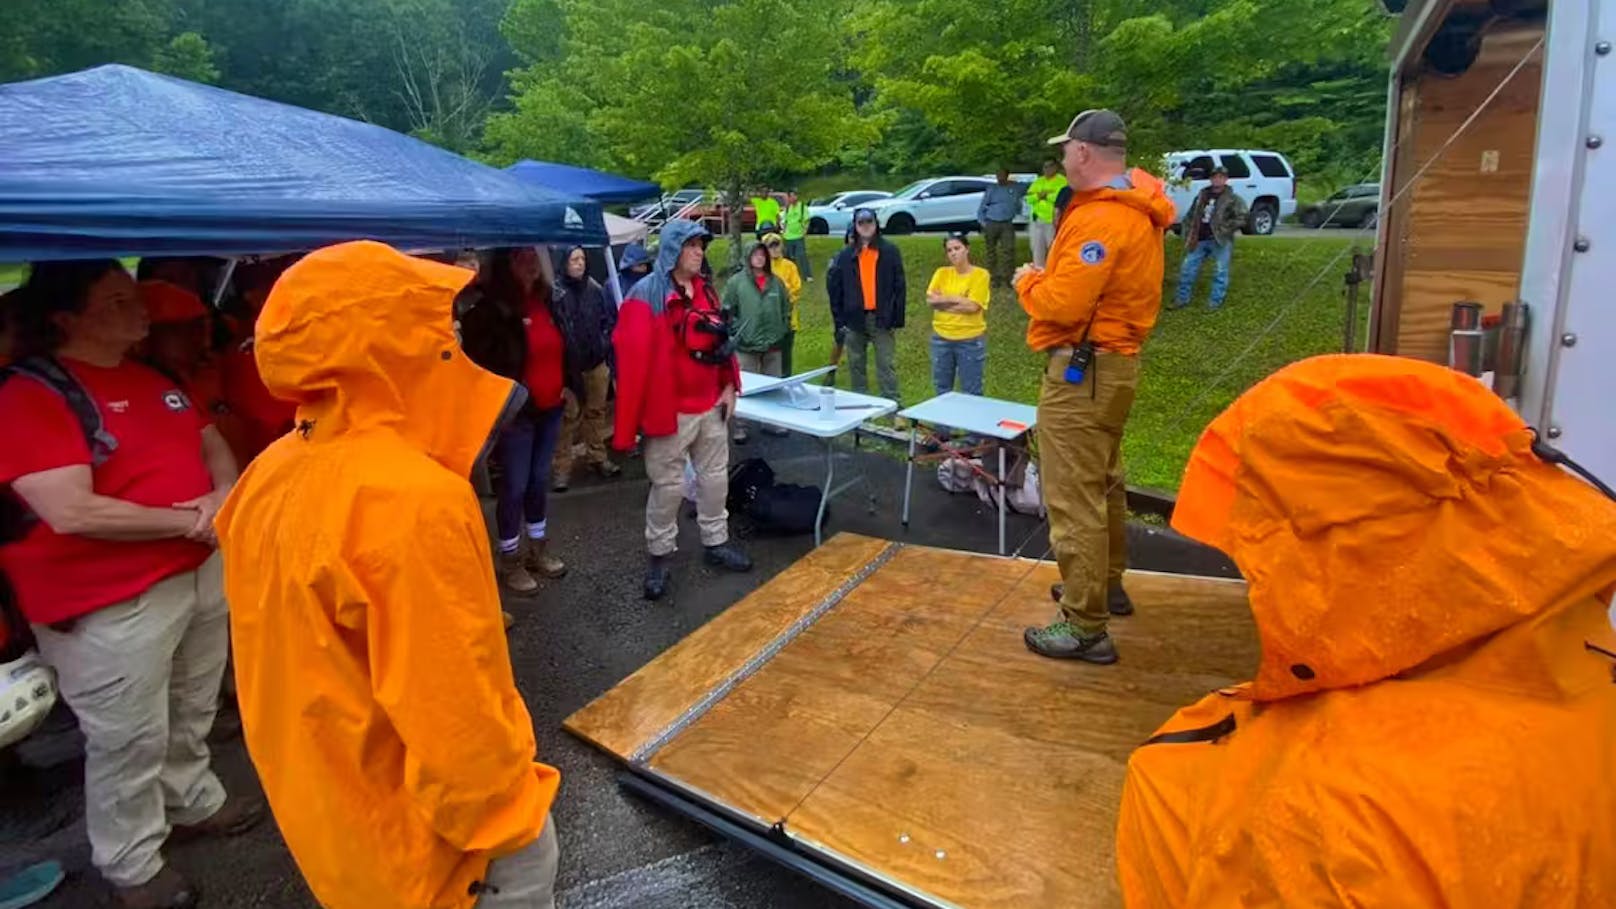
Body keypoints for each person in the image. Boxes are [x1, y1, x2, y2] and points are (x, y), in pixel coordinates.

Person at [1118, 354, 1616, 908]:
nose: (1254, 580)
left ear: (1348, 555)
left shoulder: (1326, 806)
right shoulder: (1576, 649)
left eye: (1271, 549)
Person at [214, 241, 562, 909]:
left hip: (341, 837)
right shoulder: (409, 499)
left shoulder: (266, 475)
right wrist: (514, 829)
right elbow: (455, 718)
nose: (453, 337)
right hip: (440, 862)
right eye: (435, 323)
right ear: (384, 343)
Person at [0, 260, 261, 909]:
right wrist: (189, 519)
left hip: (193, 567)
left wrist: (221, 500)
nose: (139, 306)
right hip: (107, 599)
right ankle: (131, 862)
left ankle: (190, 796)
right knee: (128, 734)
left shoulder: (152, 374)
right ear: (66, 317)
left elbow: (213, 446)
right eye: (118, 300)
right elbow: (70, 509)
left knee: (192, 700)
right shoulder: (29, 394)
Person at [1014, 109, 1176, 665]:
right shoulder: (1136, 208)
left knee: (1073, 494)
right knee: (1104, 481)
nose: (1061, 160)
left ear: (1084, 153)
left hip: (1083, 370)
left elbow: (1063, 302)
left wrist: (1028, 281)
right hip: (1114, 364)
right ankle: (1104, 585)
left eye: (1066, 151)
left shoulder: (1101, 219)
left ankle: (1084, 625)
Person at [613, 220, 752, 600]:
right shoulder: (645, 296)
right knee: (669, 488)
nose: (699, 252)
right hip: (669, 411)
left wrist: (729, 385)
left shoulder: (705, 290)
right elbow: (632, 364)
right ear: (674, 250)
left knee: (714, 479)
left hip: (710, 404)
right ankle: (659, 555)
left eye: (701, 246)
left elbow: (720, 340)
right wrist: (628, 428)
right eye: (691, 246)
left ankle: (715, 541)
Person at [459, 248, 569, 593]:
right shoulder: (491, 310)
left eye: (534, 256)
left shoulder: (546, 300)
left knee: (538, 482)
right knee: (515, 486)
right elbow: (480, 361)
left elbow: (563, 346)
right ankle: (510, 558)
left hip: (551, 408)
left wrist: (570, 384)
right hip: (517, 414)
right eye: (523, 257)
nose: (532, 263)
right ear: (506, 263)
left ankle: (538, 547)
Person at [551, 246, 621, 490]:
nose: (579, 264)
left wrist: (603, 344)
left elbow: (606, 321)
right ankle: (562, 469)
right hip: (569, 368)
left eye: (582, 259)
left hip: (596, 361)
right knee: (569, 418)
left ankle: (598, 457)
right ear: (565, 262)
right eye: (574, 259)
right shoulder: (556, 294)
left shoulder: (595, 289)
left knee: (596, 412)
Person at [827, 208, 906, 402]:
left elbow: (900, 286)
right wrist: (839, 321)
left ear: (876, 224)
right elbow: (835, 291)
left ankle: (892, 405)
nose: (866, 226)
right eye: (861, 223)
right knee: (856, 363)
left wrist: (897, 317)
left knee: (885, 364)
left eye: (869, 222)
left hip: (882, 317)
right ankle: (860, 404)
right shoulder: (845, 256)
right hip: (854, 319)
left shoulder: (889, 251)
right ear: (855, 226)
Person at [721, 241, 792, 444]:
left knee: (773, 385)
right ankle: (740, 427)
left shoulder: (776, 282)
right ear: (748, 257)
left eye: (763, 255)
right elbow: (727, 311)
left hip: (773, 342)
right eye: (756, 254)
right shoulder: (736, 283)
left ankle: (771, 422)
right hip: (745, 344)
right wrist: (737, 331)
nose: (760, 258)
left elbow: (786, 308)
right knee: (743, 387)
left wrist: (782, 328)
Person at [926, 232, 991, 398]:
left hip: (970, 339)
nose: (953, 253)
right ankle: (942, 425)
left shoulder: (980, 275)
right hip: (941, 337)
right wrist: (959, 300)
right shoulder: (941, 273)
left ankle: (972, 423)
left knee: (972, 391)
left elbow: (973, 307)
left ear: (967, 249)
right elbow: (931, 301)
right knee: (941, 390)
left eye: (957, 248)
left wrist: (944, 301)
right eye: (949, 250)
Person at [1172, 166, 1247, 310]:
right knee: (1187, 269)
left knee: (1220, 271)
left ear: (1225, 179)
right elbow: (1190, 215)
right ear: (1211, 178)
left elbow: (1242, 217)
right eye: (1215, 177)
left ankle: (1215, 301)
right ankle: (1181, 299)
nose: (1217, 180)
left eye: (1221, 177)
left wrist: (1225, 228)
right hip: (1199, 239)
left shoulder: (1233, 199)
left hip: (1220, 240)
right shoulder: (1202, 195)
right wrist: (1187, 232)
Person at [977, 169, 1027, 289]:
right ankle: (994, 277)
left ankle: (1008, 277)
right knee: (991, 251)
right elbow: (982, 206)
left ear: (1007, 176)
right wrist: (982, 221)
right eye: (998, 175)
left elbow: (1031, 186)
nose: (1000, 177)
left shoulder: (1015, 187)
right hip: (991, 222)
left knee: (1008, 250)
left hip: (1007, 223)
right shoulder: (992, 189)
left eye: (1002, 175)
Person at [761, 232, 802, 374]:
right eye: (770, 246)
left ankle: (785, 382)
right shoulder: (761, 267)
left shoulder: (789, 266)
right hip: (766, 322)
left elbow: (796, 290)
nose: (775, 249)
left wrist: (780, 296)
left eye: (777, 244)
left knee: (785, 358)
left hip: (788, 321)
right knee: (767, 358)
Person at [1027, 161, 1068, 269]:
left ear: (1056, 167)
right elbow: (1029, 198)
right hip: (1037, 220)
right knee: (1036, 249)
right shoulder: (1039, 181)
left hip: (1052, 221)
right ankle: (1038, 274)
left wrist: (1043, 195)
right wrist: (1041, 195)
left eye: (1050, 166)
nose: (1047, 169)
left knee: (1053, 249)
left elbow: (1060, 198)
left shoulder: (1062, 181)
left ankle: (1053, 273)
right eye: (1045, 166)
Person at [780, 189, 813, 281]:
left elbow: (807, 220)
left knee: (801, 256)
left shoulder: (802, 207)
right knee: (788, 257)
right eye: (791, 196)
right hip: (787, 236)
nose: (793, 198)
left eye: (795, 195)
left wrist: (805, 231)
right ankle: (789, 275)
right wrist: (783, 231)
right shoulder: (787, 208)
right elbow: (784, 221)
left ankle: (807, 275)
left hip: (798, 236)